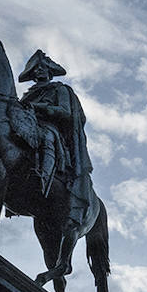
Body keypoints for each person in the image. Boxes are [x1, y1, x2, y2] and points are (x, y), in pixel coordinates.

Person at [18, 49, 95, 237]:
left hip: (50, 129)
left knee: (46, 137)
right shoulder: (28, 94)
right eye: (35, 70)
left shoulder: (59, 89)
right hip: (28, 127)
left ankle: (42, 177)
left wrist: (39, 108)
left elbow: (66, 112)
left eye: (43, 68)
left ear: (50, 72)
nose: (39, 72)